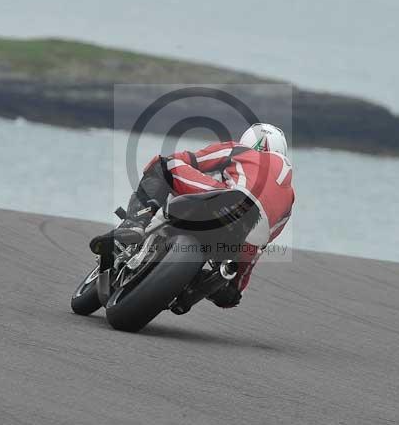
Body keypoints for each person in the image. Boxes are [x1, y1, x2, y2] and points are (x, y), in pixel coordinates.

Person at [90, 123, 295, 308]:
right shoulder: (290, 195)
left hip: (227, 201)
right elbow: (262, 243)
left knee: (162, 165)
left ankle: (134, 223)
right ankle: (200, 286)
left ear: (248, 140)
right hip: (252, 232)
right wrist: (235, 287)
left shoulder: (239, 150)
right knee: (231, 286)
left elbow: (189, 160)